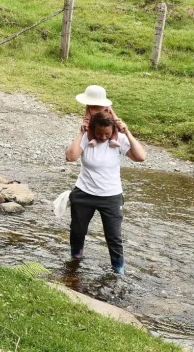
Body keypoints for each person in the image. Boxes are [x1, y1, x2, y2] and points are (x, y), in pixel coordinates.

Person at [64, 107, 146, 275]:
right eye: (99, 134)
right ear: (93, 129)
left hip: (111, 197)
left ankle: (118, 271)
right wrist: (81, 133)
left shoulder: (119, 140)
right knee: (77, 232)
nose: (103, 137)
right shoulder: (87, 138)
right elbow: (70, 157)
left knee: (114, 238)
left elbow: (140, 157)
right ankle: (74, 263)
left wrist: (127, 132)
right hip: (84, 193)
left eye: (107, 134)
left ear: (112, 131)